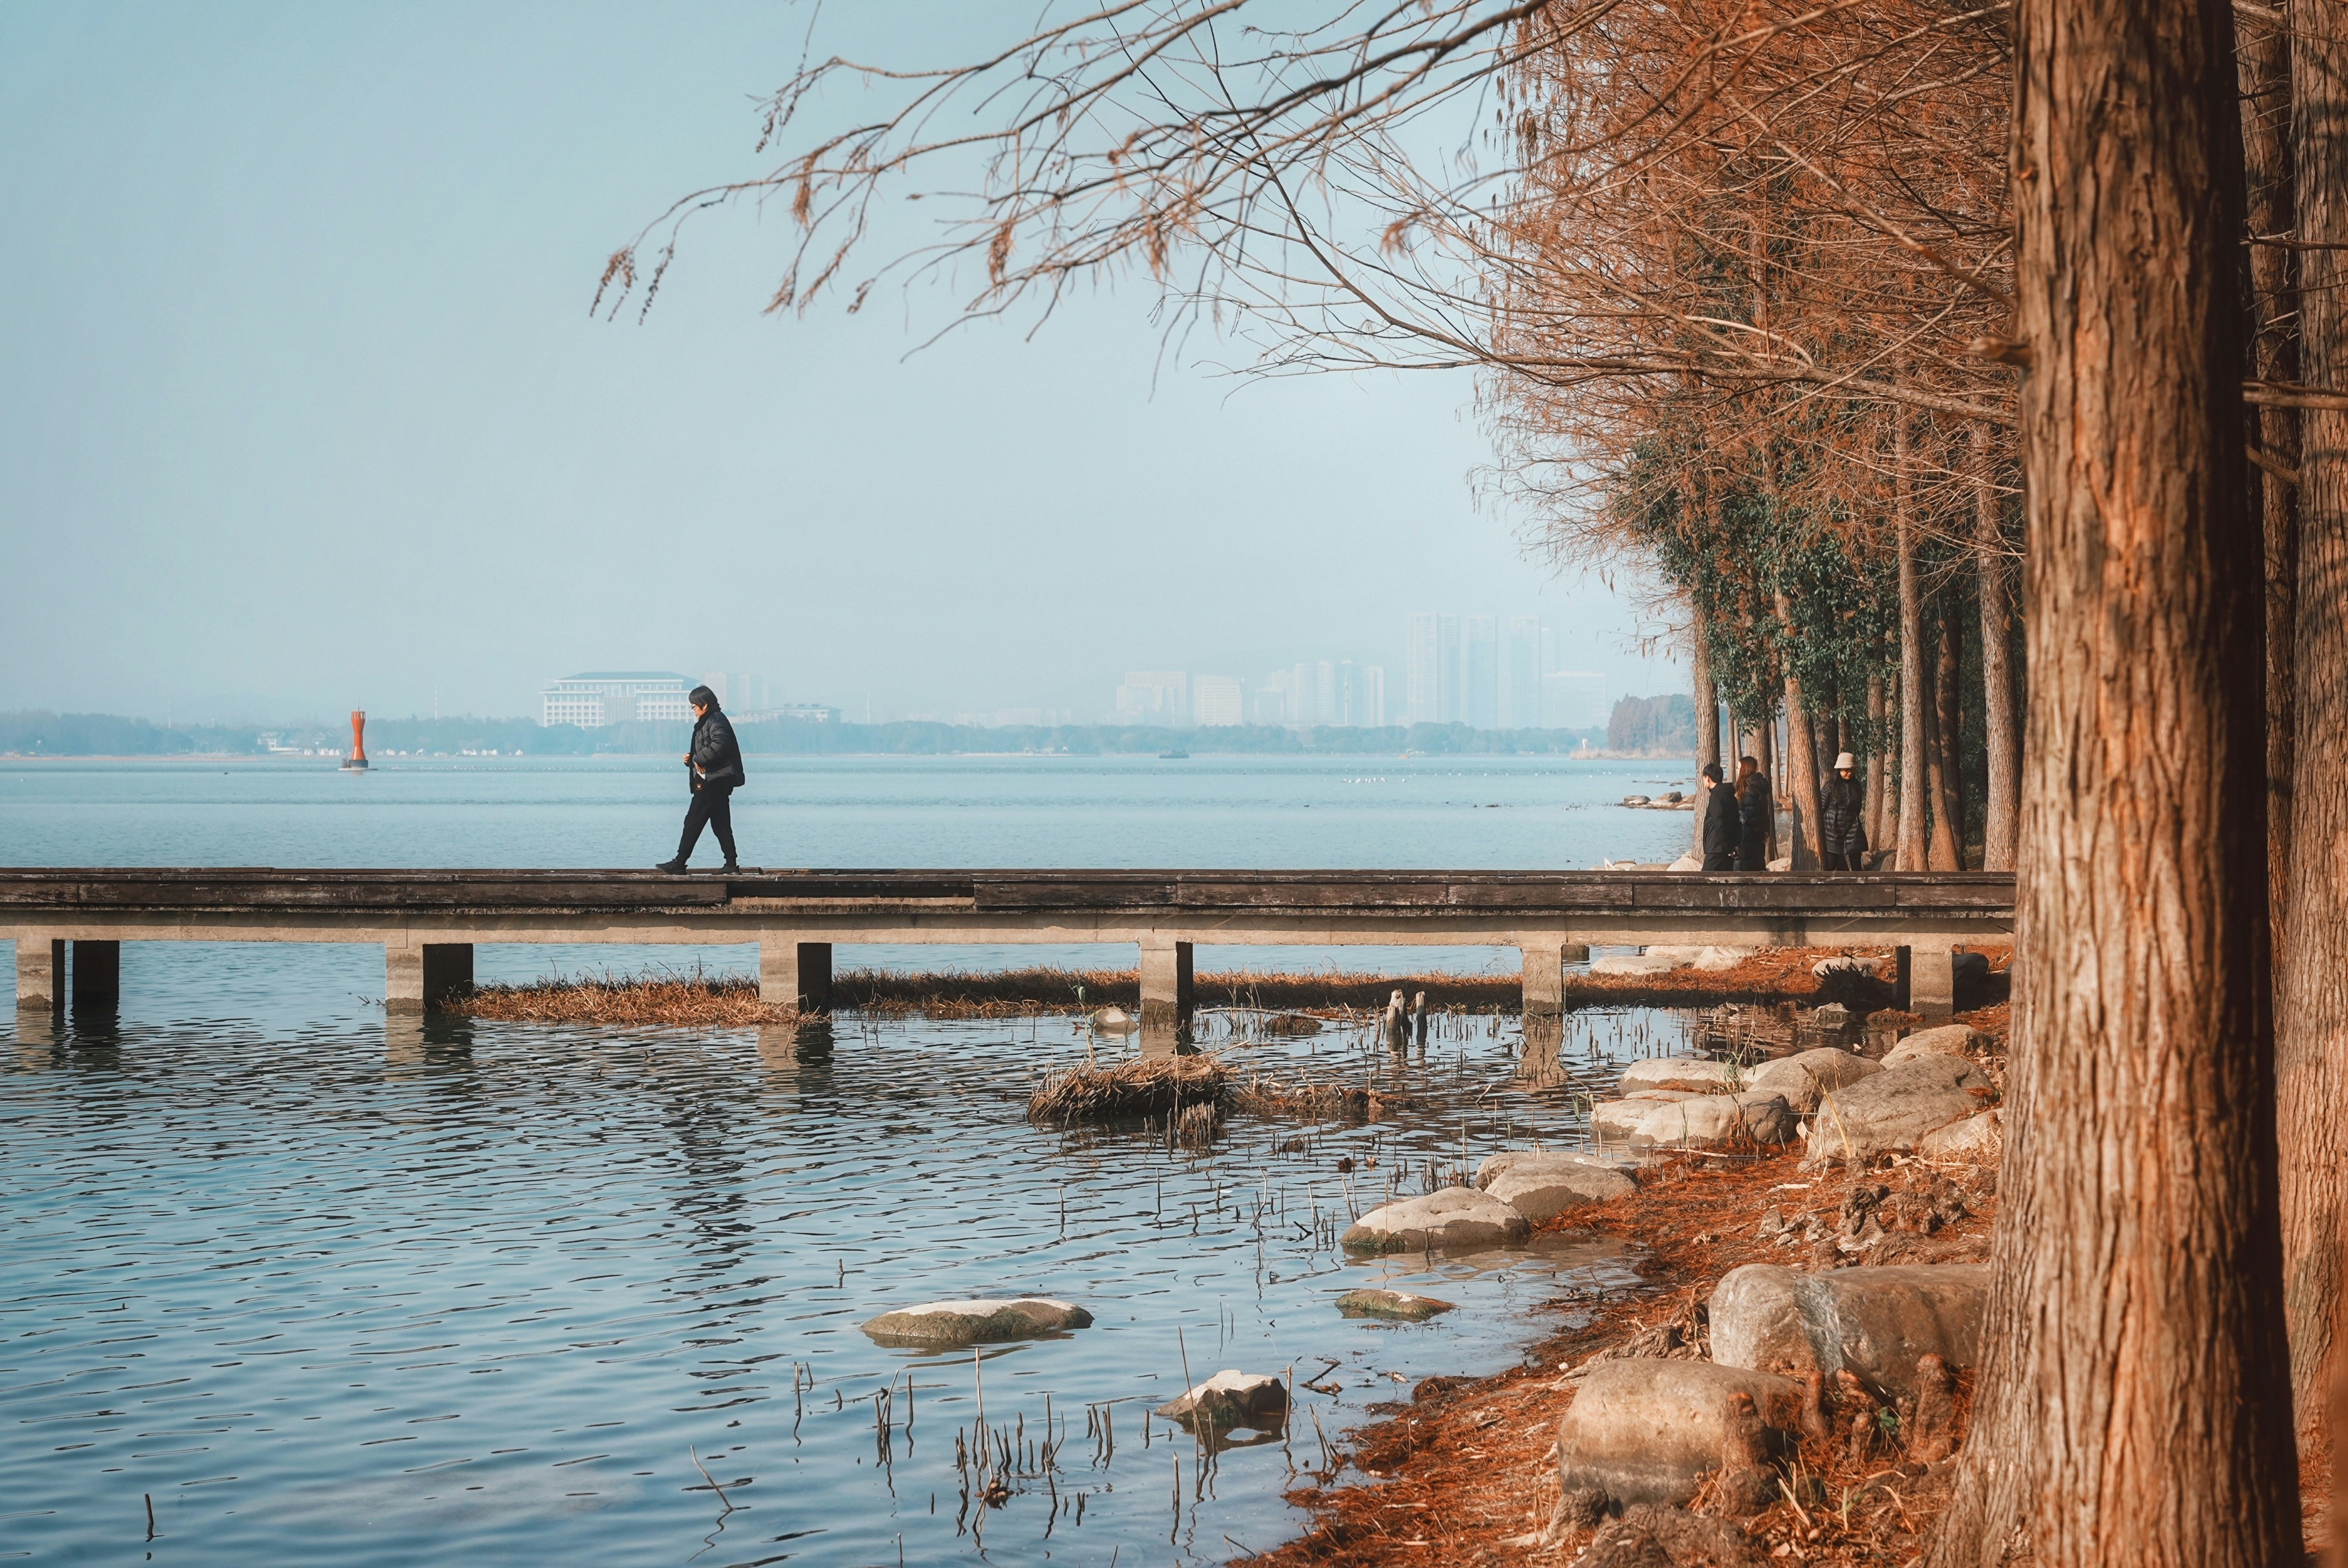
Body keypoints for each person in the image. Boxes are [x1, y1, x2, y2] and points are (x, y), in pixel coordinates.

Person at [656, 686, 745, 873]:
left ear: (705, 705)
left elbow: (721, 744)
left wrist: (698, 758)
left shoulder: (716, 720)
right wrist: (693, 758)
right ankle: (731, 865)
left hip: (714, 781)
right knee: (720, 823)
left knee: (693, 821)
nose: (693, 711)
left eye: (694, 707)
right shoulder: (710, 721)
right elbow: (708, 747)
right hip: (717, 779)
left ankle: (679, 864)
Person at [1819, 750, 1868, 871]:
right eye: (1846, 770)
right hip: (1832, 831)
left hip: (1853, 828)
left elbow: (1857, 808)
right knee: (1831, 865)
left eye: (1852, 770)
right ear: (1839, 770)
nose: (1849, 773)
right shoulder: (1830, 787)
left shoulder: (1856, 786)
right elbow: (1821, 809)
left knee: (1857, 865)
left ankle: (1859, 889)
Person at [1734, 754, 1773, 871]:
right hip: (1755, 838)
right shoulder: (1757, 788)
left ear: (1745, 769)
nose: (1736, 771)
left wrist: (1735, 818)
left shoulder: (1750, 790)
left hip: (1747, 839)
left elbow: (1750, 816)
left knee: (1745, 873)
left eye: (1738, 768)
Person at [1698, 762, 1739, 871]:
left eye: (1704, 777)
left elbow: (1718, 821)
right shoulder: (1729, 794)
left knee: (1704, 880)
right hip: (1726, 846)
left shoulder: (1716, 796)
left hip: (1717, 846)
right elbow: (1736, 821)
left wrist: (1724, 844)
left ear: (1708, 778)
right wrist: (1734, 844)